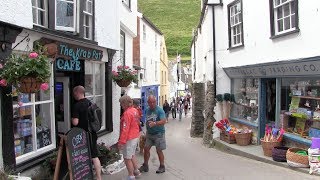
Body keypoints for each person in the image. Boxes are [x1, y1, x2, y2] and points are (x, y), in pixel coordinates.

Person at [71, 86, 102, 180]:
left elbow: (75, 122)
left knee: (82, 156)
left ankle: (84, 176)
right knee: (94, 156)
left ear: (77, 93)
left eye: (74, 93)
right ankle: (99, 177)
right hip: (92, 133)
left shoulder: (77, 106)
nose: (73, 95)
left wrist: (72, 119)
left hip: (82, 135)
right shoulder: (91, 103)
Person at [139, 95, 167, 174]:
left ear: (156, 101)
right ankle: (145, 165)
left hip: (159, 134)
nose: (152, 104)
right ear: (148, 102)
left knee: (159, 150)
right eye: (150, 102)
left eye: (153, 102)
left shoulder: (159, 110)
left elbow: (164, 121)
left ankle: (162, 166)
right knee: (146, 149)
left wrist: (155, 123)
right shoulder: (147, 110)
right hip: (149, 134)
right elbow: (146, 120)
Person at [118, 95, 141, 180]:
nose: (120, 105)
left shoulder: (127, 113)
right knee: (132, 155)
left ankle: (131, 176)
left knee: (127, 157)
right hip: (135, 135)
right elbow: (137, 123)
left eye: (121, 103)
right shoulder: (134, 110)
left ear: (125, 103)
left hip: (129, 138)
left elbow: (125, 128)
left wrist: (121, 142)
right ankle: (136, 171)